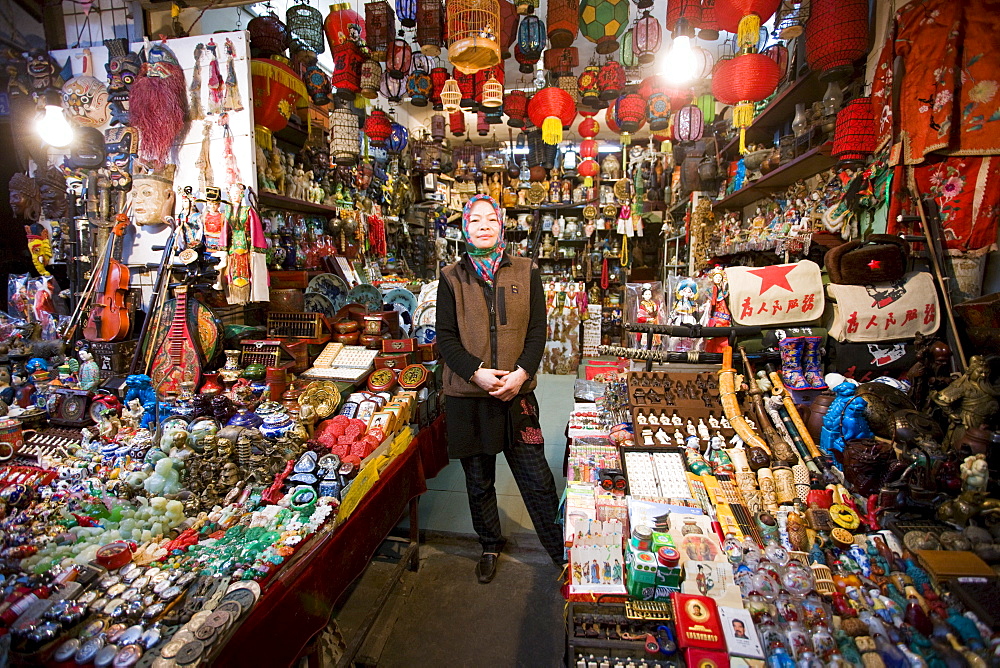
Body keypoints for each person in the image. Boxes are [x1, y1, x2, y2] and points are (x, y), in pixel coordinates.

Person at [437, 194, 564, 584]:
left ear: (501, 225)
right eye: (475, 220)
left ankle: (560, 554)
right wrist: (475, 373)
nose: (483, 225)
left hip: (517, 394)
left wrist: (522, 373)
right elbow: (445, 338)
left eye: (490, 218)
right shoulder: (450, 277)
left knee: (537, 477)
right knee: (478, 480)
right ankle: (489, 542)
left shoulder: (526, 271)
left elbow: (538, 331)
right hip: (468, 398)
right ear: (465, 229)